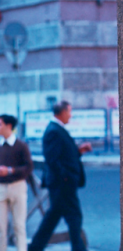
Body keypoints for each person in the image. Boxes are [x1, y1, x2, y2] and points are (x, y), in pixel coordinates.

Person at [28, 101, 92, 251]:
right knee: (73, 218)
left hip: (62, 184)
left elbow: (62, 155)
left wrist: (79, 151)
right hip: (62, 185)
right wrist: (66, 178)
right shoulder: (54, 131)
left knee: (54, 218)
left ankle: (35, 248)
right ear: (62, 112)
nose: (70, 115)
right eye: (69, 111)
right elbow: (52, 159)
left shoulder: (57, 129)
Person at [0, 115, 33, 251]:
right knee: (1, 227)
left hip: (18, 186)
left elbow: (28, 167)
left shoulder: (21, 146)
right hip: (1, 188)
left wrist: (10, 170)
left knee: (19, 225)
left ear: (9, 126)